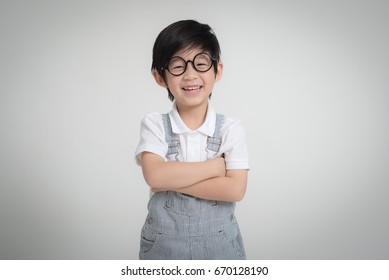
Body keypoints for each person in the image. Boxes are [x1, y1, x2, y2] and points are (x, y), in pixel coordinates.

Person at [135, 20, 249, 260]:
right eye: (178, 66)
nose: (190, 75)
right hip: (164, 251)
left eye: (200, 63)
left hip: (221, 250)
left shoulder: (231, 128)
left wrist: (169, 180)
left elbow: (235, 189)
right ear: (159, 76)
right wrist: (214, 167)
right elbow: (154, 176)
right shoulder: (155, 124)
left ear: (217, 71)